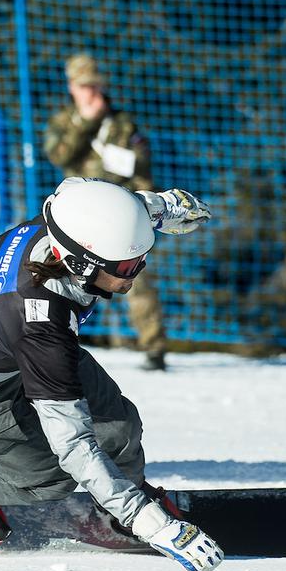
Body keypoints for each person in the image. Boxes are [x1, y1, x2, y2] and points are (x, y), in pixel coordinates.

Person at [0, 177, 223, 571]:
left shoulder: (66, 223)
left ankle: (118, 504)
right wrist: (152, 523)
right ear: (82, 263)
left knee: (118, 425)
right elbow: (72, 443)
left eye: (140, 258)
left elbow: (104, 206)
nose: (136, 270)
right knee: (46, 478)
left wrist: (162, 208)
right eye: (125, 266)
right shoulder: (42, 321)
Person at [43, 54, 169, 371]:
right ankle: (54, 340)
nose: (92, 93)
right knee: (59, 277)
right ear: (72, 87)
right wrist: (86, 122)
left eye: (95, 85)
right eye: (85, 86)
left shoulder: (122, 125)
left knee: (135, 277)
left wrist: (136, 201)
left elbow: (142, 169)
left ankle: (154, 348)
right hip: (79, 217)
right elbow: (58, 154)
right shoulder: (63, 122)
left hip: (119, 216)